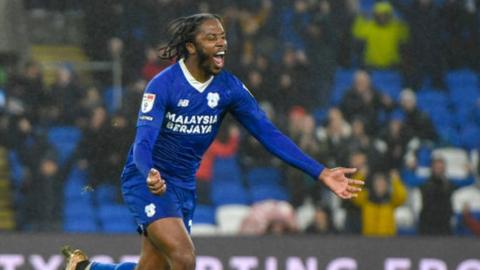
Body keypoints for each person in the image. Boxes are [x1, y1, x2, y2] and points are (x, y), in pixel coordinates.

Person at [62, 13, 364, 270]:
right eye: (211, 37)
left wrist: (320, 172)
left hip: (183, 185)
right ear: (191, 46)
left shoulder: (229, 88)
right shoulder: (163, 85)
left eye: (222, 36)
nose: (221, 43)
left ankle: (86, 268)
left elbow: (268, 134)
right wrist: (149, 172)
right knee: (184, 258)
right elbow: (143, 142)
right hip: (148, 180)